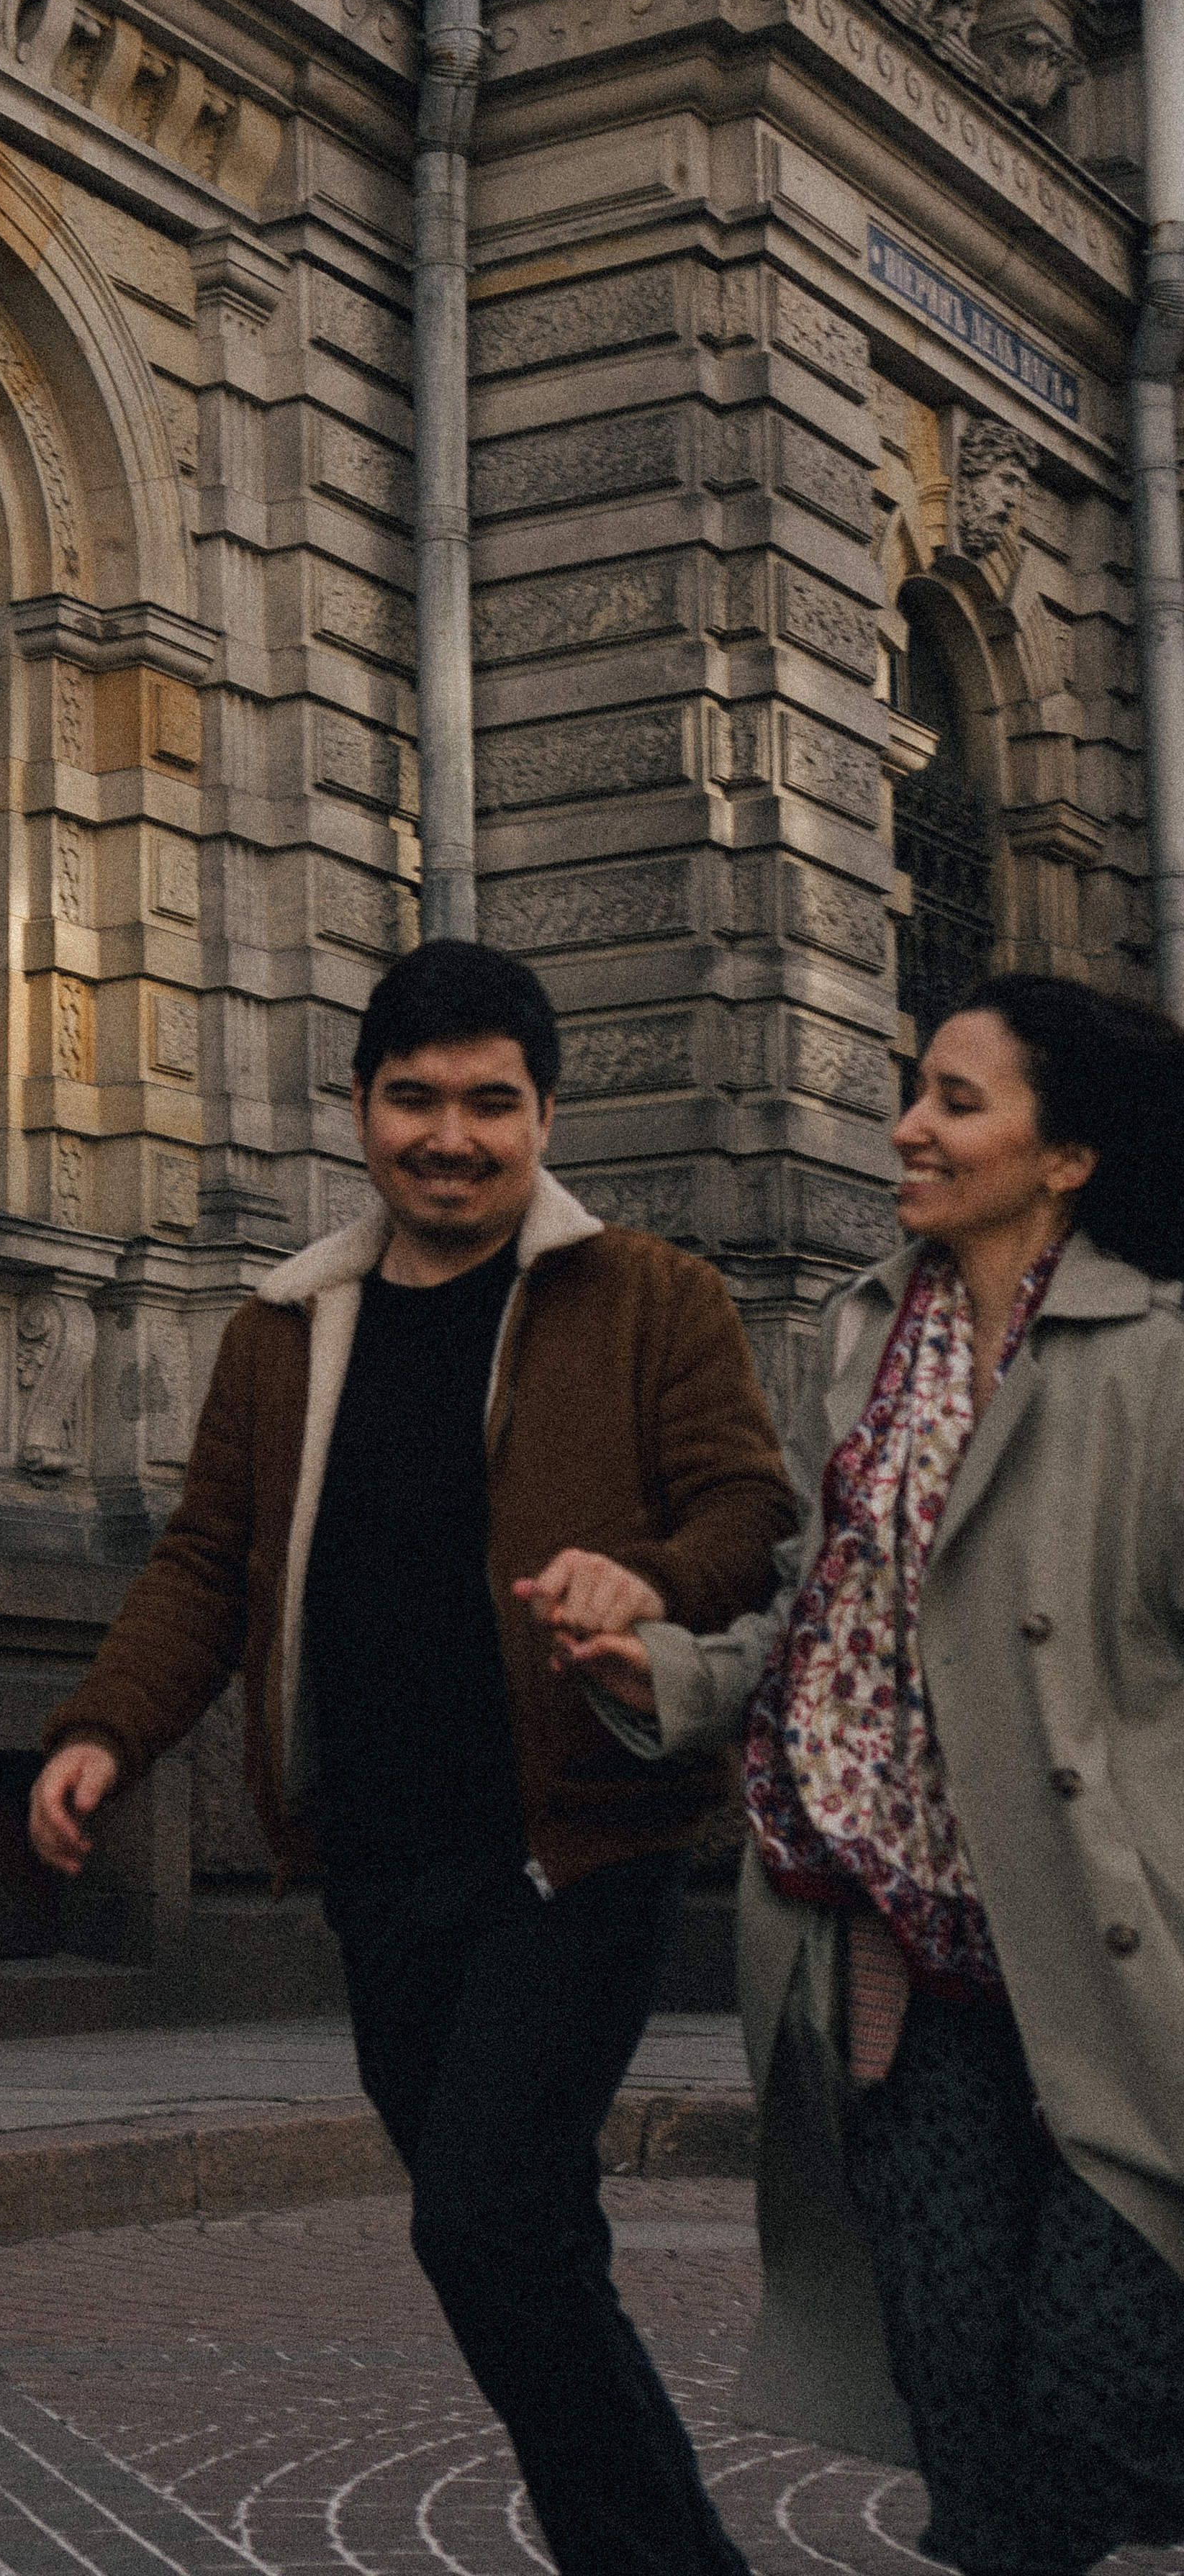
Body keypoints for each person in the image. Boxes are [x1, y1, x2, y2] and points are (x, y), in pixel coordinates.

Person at [29, 938, 795, 2576]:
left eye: (489, 1104)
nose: (450, 1137)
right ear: (361, 1109)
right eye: (413, 1099)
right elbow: (206, 1566)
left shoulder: (652, 1297)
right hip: (378, 1863)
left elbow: (747, 1511)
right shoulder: (285, 1328)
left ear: (544, 1117)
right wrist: (104, 1730)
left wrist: (649, 1581)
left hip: (574, 1849)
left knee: (485, 2221)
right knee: (523, 2244)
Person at [533, 972, 1184, 2576]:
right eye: (914, 1090)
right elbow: (821, 1616)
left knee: (1101, 2383)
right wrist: (667, 1675)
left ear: (1066, 1157)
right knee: (963, 2404)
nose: (905, 1127)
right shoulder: (867, 1332)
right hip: (900, 1956)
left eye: (957, 1101)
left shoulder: (1159, 1361)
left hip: (1111, 1958)